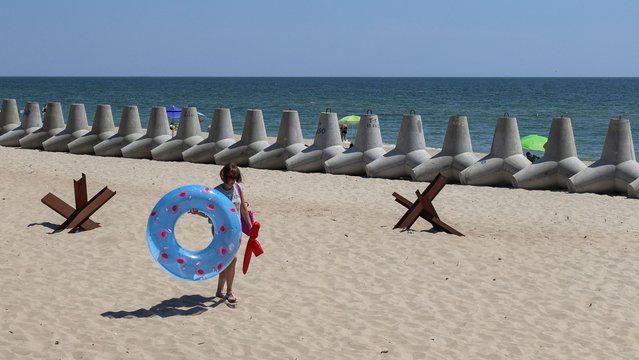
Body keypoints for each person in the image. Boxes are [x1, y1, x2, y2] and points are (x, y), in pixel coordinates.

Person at [190, 163, 251, 303]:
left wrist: (250, 225)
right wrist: (197, 212)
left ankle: (220, 291)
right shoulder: (216, 192)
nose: (233, 181)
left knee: (229, 258)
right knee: (231, 258)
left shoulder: (238, 188)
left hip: (236, 230)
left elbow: (242, 208)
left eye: (235, 177)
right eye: (230, 177)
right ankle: (228, 292)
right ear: (224, 176)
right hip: (220, 231)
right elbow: (208, 213)